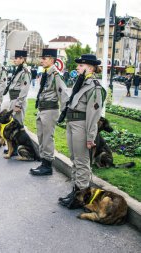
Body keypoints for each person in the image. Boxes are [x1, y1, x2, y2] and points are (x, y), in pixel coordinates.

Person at [59, 54, 106, 208]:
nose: (77, 67)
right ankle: (75, 191)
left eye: (81, 65)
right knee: (74, 158)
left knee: (82, 161)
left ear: (90, 68)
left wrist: (91, 137)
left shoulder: (95, 86)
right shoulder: (81, 83)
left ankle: (82, 197)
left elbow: (94, 115)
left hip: (82, 126)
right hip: (72, 123)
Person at [30, 48, 69, 176]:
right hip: (42, 110)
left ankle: (47, 166)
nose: (42, 60)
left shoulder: (56, 75)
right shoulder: (46, 73)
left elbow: (63, 93)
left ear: (52, 60)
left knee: (47, 138)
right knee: (41, 137)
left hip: (50, 110)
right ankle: (43, 162)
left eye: (44, 58)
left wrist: (64, 112)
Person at [6, 50, 31, 126]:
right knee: (12, 124)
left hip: (18, 101)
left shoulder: (25, 72)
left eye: (16, 58)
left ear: (22, 59)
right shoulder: (19, 70)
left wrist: (18, 104)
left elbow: (24, 89)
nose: (14, 60)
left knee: (18, 125)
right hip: (13, 99)